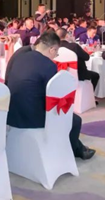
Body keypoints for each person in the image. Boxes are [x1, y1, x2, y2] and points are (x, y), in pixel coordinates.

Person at [5, 31, 95, 159]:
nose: (55, 56)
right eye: (56, 53)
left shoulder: (20, 55)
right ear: (52, 49)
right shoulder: (49, 65)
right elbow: (52, 95)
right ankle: (72, 151)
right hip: (31, 117)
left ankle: (79, 148)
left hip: (11, 111)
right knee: (74, 120)